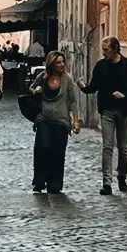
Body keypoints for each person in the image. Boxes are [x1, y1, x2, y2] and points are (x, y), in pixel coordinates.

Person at [84, 36, 127, 195]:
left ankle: (122, 177)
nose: (103, 52)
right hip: (107, 110)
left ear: (115, 49)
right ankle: (106, 182)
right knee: (107, 146)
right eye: (103, 49)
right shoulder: (100, 66)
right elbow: (93, 87)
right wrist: (84, 87)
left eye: (106, 49)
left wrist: (124, 95)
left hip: (125, 111)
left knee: (123, 148)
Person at [29, 52, 78, 196]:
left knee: (58, 151)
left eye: (63, 62)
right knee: (43, 148)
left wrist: (75, 121)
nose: (61, 65)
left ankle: (55, 183)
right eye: (58, 62)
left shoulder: (67, 79)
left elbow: (73, 101)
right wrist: (35, 90)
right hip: (44, 118)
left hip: (61, 121)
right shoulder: (43, 77)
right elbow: (31, 87)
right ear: (51, 64)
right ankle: (39, 180)